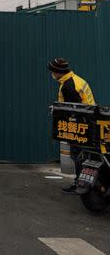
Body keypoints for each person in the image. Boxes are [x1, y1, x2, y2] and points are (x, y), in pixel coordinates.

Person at [48, 58, 95, 194]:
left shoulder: (69, 86)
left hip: (82, 126)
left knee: (78, 155)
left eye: (52, 71)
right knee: (83, 155)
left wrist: (57, 111)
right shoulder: (75, 79)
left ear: (58, 72)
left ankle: (80, 184)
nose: (51, 74)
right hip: (90, 122)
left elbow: (73, 111)